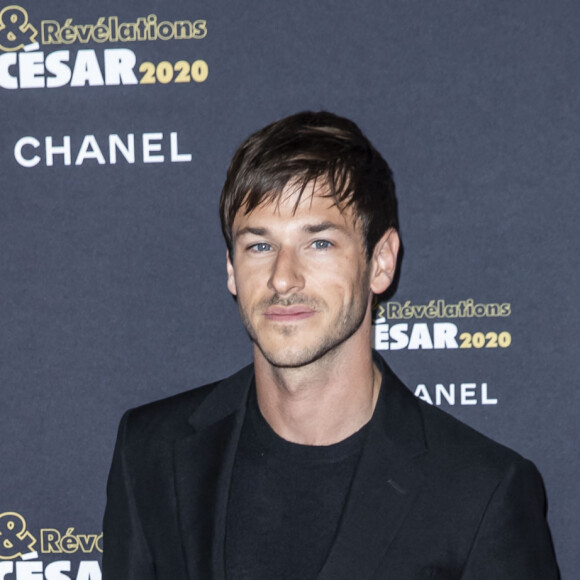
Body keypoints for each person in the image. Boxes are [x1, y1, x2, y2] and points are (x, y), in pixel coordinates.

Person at [102, 111, 559, 579]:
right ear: (231, 269)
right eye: (259, 246)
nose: (283, 277)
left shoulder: (480, 492)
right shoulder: (151, 453)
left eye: (318, 243)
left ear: (380, 262)